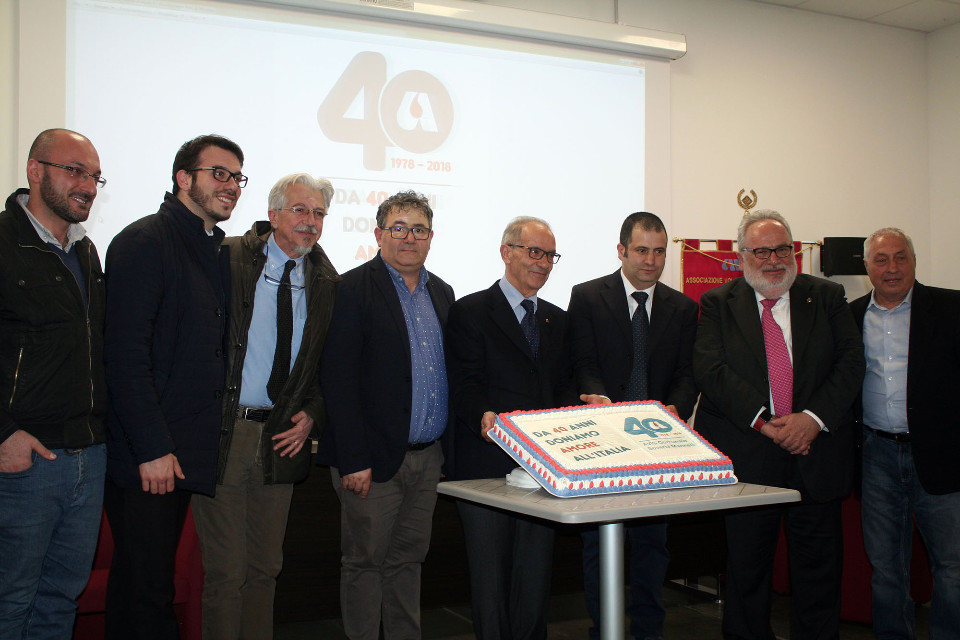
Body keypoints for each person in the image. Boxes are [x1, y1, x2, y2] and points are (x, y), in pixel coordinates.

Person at [692, 209, 864, 640]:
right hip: (750, 456)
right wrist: (766, 424)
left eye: (782, 249)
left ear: (794, 252)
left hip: (815, 452)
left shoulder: (827, 296)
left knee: (819, 572)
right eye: (762, 251)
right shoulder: (717, 302)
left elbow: (850, 363)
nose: (773, 260)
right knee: (747, 571)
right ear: (741, 256)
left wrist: (811, 420)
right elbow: (711, 370)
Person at [103, 134, 244, 638]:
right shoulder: (144, 242)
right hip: (149, 457)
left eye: (237, 177)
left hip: (179, 452)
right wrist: (153, 448)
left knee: (150, 585)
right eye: (218, 174)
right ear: (183, 178)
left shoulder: (211, 248)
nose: (231, 185)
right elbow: (124, 357)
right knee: (145, 591)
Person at [192, 174, 340, 639]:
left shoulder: (327, 281)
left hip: (283, 437)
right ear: (273, 214)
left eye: (318, 213)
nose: (310, 221)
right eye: (300, 209)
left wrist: (313, 413)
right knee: (226, 572)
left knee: (265, 567)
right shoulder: (227, 257)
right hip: (225, 432)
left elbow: (329, 365)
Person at [317, 190, 454, 640]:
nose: (409, 237)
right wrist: (353, 459)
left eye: (419, 229)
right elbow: (338, 381)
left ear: (430, 237)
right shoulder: (351, 289)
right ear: (378, 235)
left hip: (427, 458)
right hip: (371, 462)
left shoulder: (442, 293)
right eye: (399, 228)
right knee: (365, 563)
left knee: (408, 562)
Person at [567, 211, 698, 640]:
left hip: (656, 448)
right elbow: (582, 363)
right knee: (599, 549)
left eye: (659, 252)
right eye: (642, 250)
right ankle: (604, 630)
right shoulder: (588, 297)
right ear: (621, 250)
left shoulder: (683, 308)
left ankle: (648, 632)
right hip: (603, 447)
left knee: (651, 550)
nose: (651, 260)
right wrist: (599, 401)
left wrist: (676, 409)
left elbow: (687, 373)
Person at [445, 216, 577, 640]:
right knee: (491, 579)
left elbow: (563, 388)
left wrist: (584, 408)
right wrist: (482, 414)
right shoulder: (469, 311)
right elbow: (463, 382)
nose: (543, 263)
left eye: (550, 256)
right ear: (506, 252)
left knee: (534, 577)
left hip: (543, 468)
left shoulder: (558, 320)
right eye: (534, 252)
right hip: (485, 464)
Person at [0, 129, 108, 638]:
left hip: (88, 455)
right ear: (35, 170)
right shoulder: (4, 244)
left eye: (95, 177)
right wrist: (4, 433)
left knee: (60, 600)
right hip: (25, 462)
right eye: (74, 171)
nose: (87, 185)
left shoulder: (86, 252)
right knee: (10, 601)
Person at [850, 227, 960, 640]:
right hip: (876, 456)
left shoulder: (950, 308)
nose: (892, 268)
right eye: (881, 259)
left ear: (914, 262)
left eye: (901, 257)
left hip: (942, 456)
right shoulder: (850, 317)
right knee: (886, 569)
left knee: (953, 567)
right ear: (867, 267)